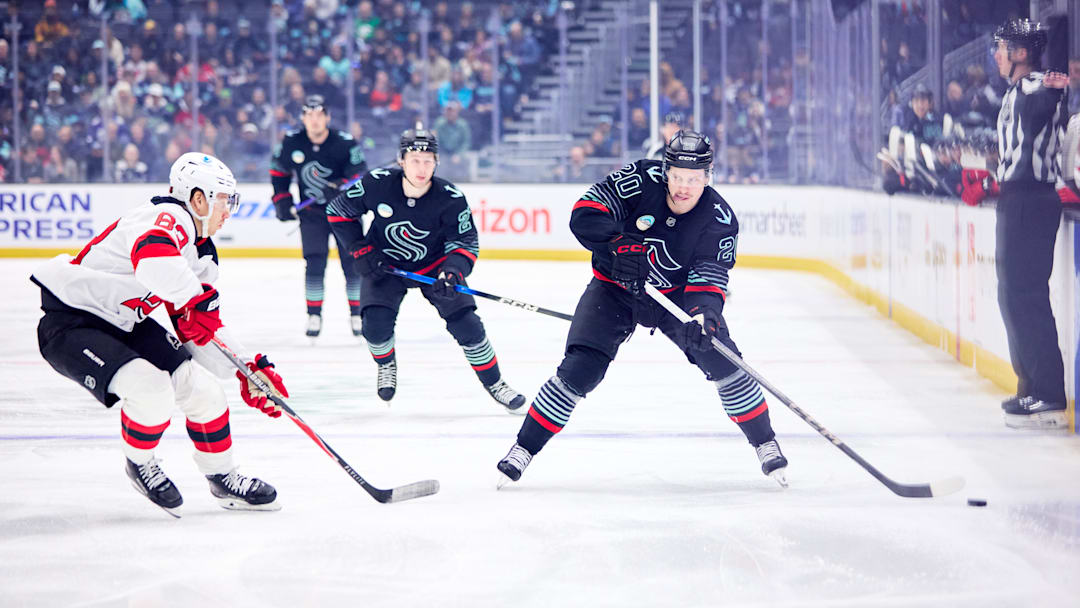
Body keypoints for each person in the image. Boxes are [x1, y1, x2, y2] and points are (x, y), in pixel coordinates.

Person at [496, 131, 788, 487]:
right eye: (678, 176)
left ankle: (765, 442)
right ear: (666, 171)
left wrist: (703, 315)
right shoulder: (639, 180)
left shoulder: (719, 219)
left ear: (708, 177)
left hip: (677, 300)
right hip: (614, 290)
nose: (683, 186)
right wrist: (617, 243)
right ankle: (523, 449)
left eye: (693, 179)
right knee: (580, 369)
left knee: (723, 359)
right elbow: (585, 213)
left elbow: (710, 278)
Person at [30, 153, 288, 517]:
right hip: (72, 322)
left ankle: (223, 476)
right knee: (149, 389)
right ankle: (140, 463)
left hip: (124, 321)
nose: (228, 210)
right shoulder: (165, 217)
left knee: (204, 390)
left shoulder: (201, 255)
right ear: (198, 198)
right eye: (223, 200)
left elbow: (196, 328)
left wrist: (248, 369)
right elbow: (153, 262)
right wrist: (194, 300)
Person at [325, 127, 527, 411]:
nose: (422, 168)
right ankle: (386, 364)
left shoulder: (450, 197)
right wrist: (359, 249)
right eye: (415, 160)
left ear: (437, 162)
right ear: (401, 160)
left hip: (435, 269)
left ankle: (495, 383)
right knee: (374, 327)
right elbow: (338, 211)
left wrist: (453, 271)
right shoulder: (376, 184)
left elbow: (466, 240)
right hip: (386, 267)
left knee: (468, 325)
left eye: (428, 160)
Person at [992, 19, 1069, 429]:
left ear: (1021, 53)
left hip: (1031, 199)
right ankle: (1030, 386)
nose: (996, 55)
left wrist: (1055, 87)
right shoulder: (1012, 92)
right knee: (1010, 296)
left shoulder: (1038, 86)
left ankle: (1049, 393)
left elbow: (1043, 107)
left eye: (1003, 47)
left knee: (1026, 295)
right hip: (1013, 198)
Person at [271, 95, 369, 340]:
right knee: (314, 263)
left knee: (353, 263)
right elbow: (279, 171)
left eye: (319, 115)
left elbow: (360, 174)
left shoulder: (344, 143)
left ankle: (357, 313)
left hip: (345, 213)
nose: (314, 121)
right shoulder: (292, 141)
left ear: (327, 117)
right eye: (309, 115)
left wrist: (341, 184)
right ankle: (314, 314)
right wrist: (282, 199)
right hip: (312, 215)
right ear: (303, 118)